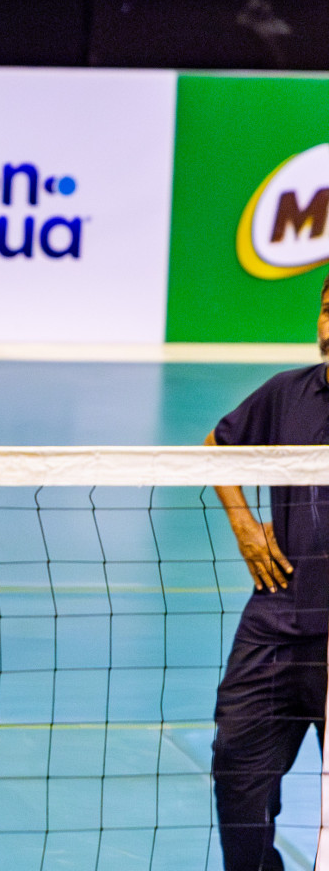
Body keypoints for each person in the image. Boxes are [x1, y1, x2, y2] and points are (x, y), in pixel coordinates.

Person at [207, 273, 329, 871]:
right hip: (276, 620)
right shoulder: (287, 393)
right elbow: (217, 444)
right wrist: (245, 526)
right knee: (237, 769)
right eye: (328, 311)